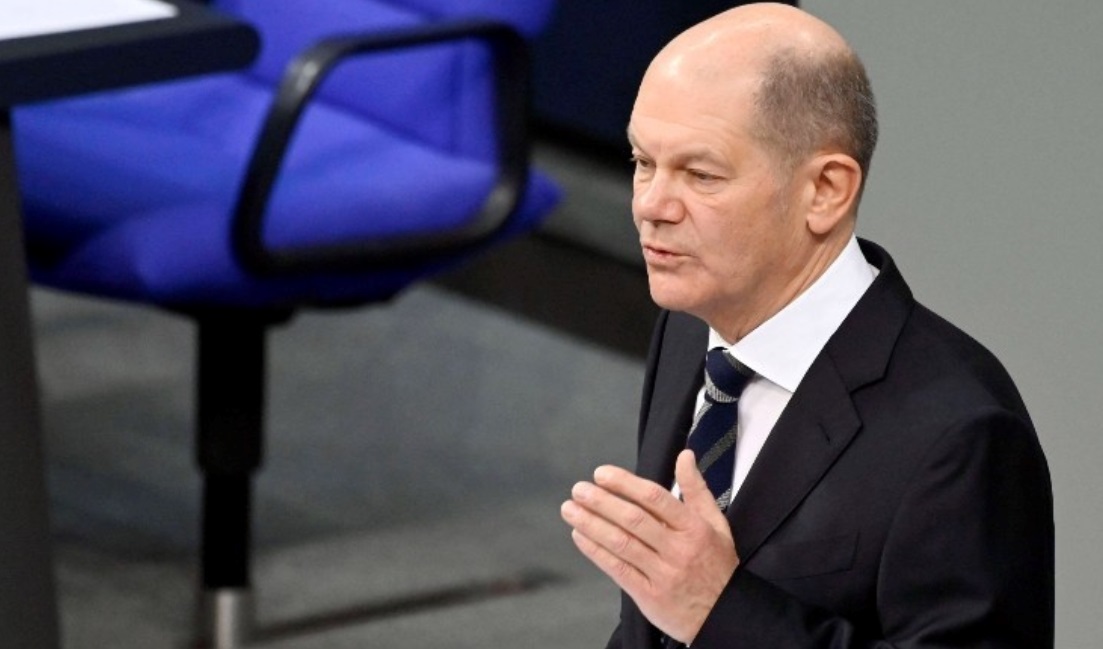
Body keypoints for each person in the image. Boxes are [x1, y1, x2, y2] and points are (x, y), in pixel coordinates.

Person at [559, 3, 1054, 648]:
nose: (650, 206)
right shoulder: (688, 329)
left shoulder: (962, 435)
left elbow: (695, 606)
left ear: (826, 190)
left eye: (701, 174)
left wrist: (719, 610)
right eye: (643, 161)